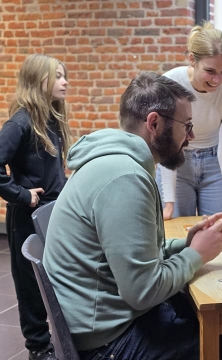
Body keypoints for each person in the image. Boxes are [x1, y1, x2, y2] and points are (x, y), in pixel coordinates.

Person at [43, 72, 222, 360]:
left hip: (106, 321)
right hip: (108, 343)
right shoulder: (124, 177)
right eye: (187, 126)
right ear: (154, 123)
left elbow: (131, 258)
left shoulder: (121, 164)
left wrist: (187, 245)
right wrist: (196, 256)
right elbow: (143, 290)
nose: (190, 136)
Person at [0, 54, 72, 360]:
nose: (64, 81)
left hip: (54, 216)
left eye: (63, 75)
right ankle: (39, 349)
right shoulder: (19, 123)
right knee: (30, 288)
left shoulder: (51, 119)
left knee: (58, 280)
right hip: (27, 218)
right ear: (38, 81)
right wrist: (20, 194)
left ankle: (62, 343)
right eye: (57, 76)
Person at [156, 21, 222, 219]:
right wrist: (169, 204)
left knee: (219, 232)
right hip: (176, 161)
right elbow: (167, 144)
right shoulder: (170, 83)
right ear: (192, 60)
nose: (217, 80)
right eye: (210, 71)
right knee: (177, 234)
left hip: (215, 164)